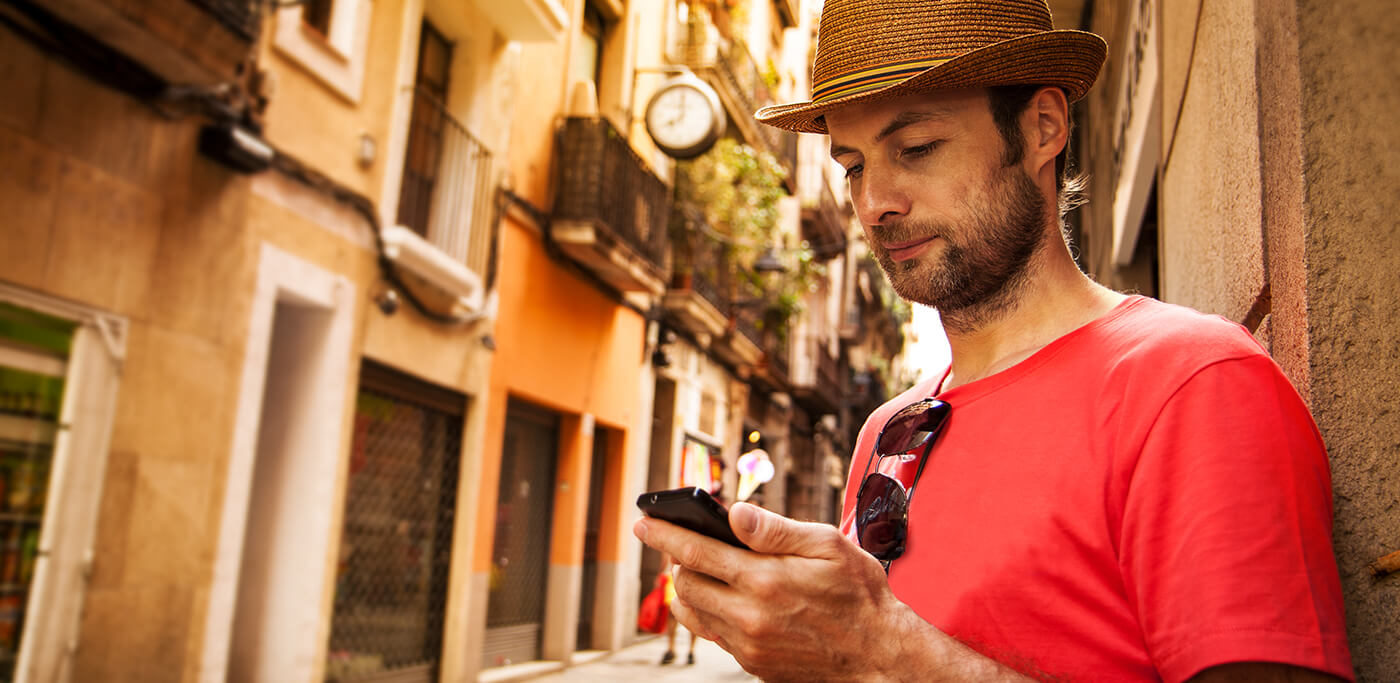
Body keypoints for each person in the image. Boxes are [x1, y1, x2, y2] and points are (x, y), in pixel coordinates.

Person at [633, 1, 1354, 681]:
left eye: (915, 147)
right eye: (852, 167)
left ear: (1042, 127)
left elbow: (882, 654)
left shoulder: (1192, 385)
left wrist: (879, 649)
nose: (875, 201)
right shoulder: (889, 429)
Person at [658, 554, 698, 666]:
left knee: (690, 615)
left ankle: (686, 650)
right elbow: (665, 556)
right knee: (676, 613)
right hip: (676, 577)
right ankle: (676, 649)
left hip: (685, 577)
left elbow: (665, 556)